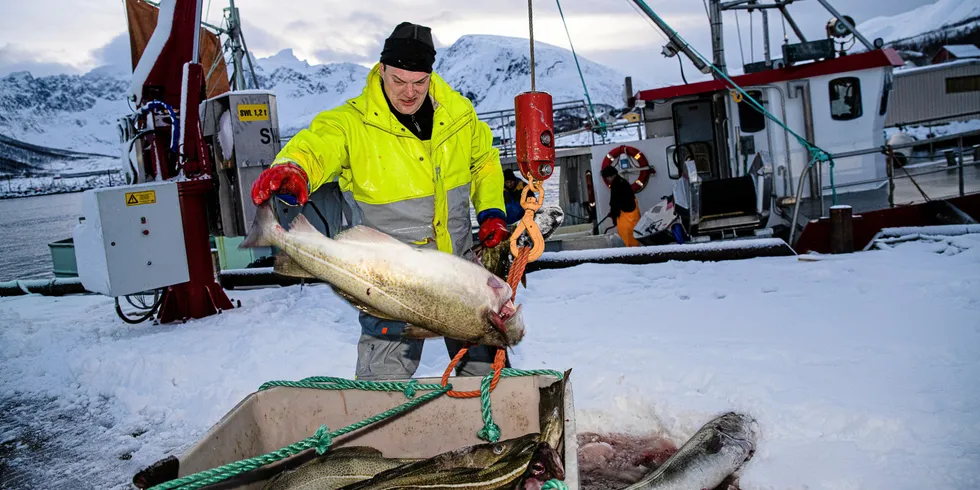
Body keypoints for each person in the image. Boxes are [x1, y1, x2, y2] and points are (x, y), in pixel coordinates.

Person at [249, 21, 510, 381]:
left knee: (488, 375)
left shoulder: (459, 115)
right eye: (398, 80)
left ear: (430, 76)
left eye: (419, 82)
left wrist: (491, 211)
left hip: (460, 270)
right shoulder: (351, 123)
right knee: (381, 386)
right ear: (381, 69)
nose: (409, 92)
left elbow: (484, 161)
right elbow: (318, 144)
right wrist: (295, 167)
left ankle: (494, 433)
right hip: (386, 277)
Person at [600, 165, 641, 247]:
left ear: (611, 176)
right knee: (633, 237)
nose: (607, 180)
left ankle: (630, 256)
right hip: (632, 214)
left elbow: (615, 202)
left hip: (626, 216)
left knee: (627, 237)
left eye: (607, 178)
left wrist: (613, 215)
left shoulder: (616, 185)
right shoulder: (623, 181)